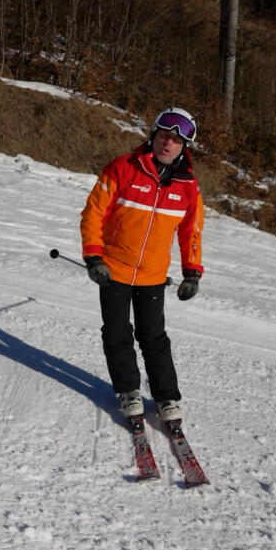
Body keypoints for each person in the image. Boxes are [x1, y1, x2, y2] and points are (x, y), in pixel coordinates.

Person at [80, 106, 204, 423]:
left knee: (153, 337)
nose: (168, 144)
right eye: (164, 136)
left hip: (152, 275)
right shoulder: (122, 168)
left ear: (184, 147)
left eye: (176, 140)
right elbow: (94, 214)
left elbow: (192, 232)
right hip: (114, 269)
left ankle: (166, 397)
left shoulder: (188, 187)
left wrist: (192, 272)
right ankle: (128, 391)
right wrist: (94, 256)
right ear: (153, 136)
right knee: (118, 333)